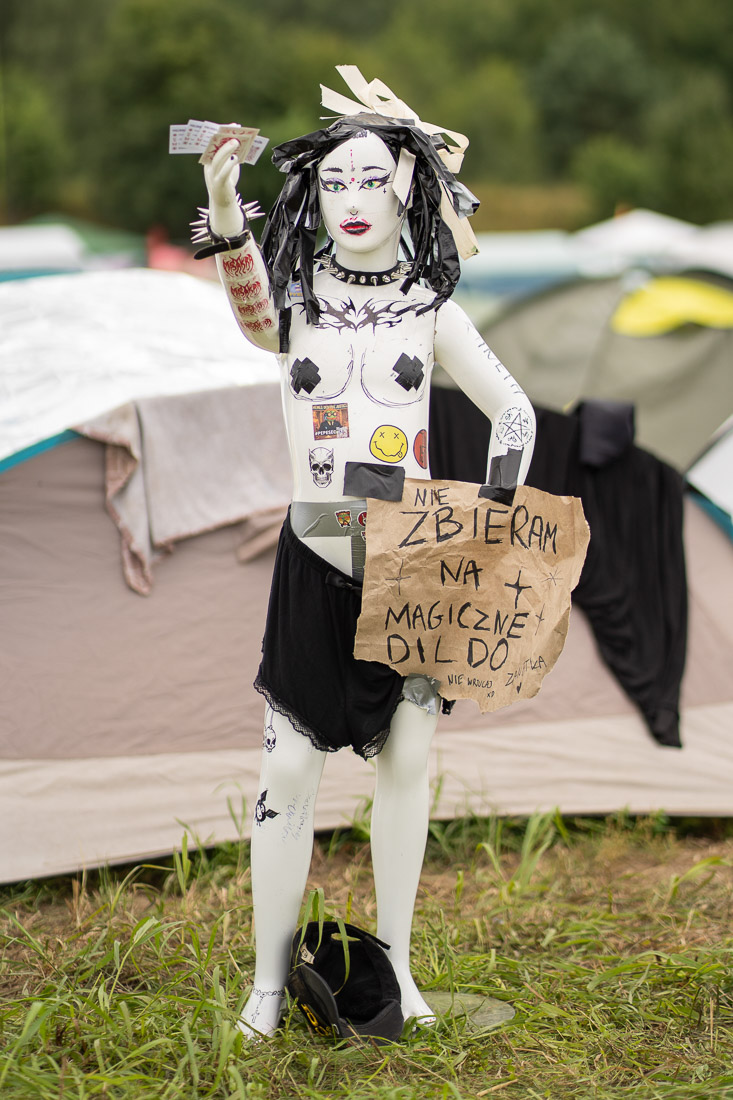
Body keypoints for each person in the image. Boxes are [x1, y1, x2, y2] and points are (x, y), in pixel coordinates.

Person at [195, 70, 536, 1038]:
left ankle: (397, 972)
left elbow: (513, 411)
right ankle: (267, 986)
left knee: (408, 764)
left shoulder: (430, 308)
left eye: (370, 179)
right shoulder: (295, 299)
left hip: (411, 562)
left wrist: (486, 525)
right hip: (314, 552)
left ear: (405, 187)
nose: (350, 199)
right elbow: (251, 314)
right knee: (285, 775)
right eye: (333, 181)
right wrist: (224, 203)